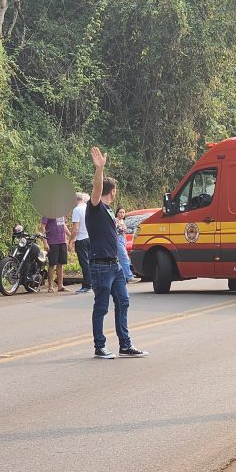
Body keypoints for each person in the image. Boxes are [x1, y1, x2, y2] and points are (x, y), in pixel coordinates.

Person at [86, 147, 147, 359]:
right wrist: (100, 169)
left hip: (115, 266)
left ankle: (125, 345)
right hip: (101, 265)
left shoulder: (110, 211)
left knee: (123, 301)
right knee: (101, 307)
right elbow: (96, 190)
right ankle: (99, 346)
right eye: (114, 191)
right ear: (112, 191)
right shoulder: (94, 206)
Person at [41, 213, 71, 293]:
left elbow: (63, 225)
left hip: (62, 241)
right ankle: (50, 286)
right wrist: (45, 242)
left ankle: (60, 286)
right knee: (52, 264)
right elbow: (43, 226)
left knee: (60, 263)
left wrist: (71, 237)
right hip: (52, 241)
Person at [69, 192, 92, 294]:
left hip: (81, 239)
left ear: (75, 200)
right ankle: (93, 283)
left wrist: (71, 240)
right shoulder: (88, 208)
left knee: (84, 263)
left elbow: (75, 228)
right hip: (90, 238)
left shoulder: (77, 210)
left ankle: (87, 285)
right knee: (91, 261)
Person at [114, 207, 138, 283]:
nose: (122, 214)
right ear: (117, 213)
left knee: (122, 259)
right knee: (124, 258)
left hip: (123, 239)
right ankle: (129, 276)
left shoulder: (122, 221)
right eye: (120, 212)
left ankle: (123, 277)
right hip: (117, 239)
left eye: (123, 212)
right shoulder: (115, 220)